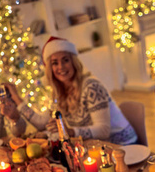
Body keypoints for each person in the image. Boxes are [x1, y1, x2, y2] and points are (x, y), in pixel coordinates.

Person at [9, 36, 138, 145]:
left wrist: (70, 131)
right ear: (49, 68)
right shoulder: (58, 92)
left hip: (122, 145)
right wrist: (16, 99)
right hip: (95, 146)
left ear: (73, 62)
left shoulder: (91, 87)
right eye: (55, 63)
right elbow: (43, 124)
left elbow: (103, 130)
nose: (61, 67)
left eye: (65, 60)